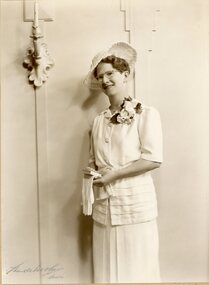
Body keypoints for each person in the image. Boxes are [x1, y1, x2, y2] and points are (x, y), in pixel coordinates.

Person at [82, 42, 163, 283]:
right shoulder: (98, 121)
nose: (105, 80)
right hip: (104, 206)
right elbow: (93, 161)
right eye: (101, 76)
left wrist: (113, 175)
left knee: (137, 264)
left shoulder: (146, 114)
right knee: (107, 266)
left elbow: (152, 159)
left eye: (110, 74)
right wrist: (92, 174)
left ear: (125, 74)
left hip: (134, 203)